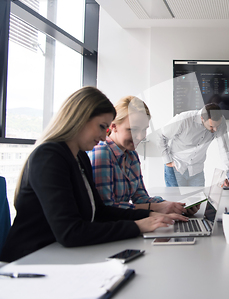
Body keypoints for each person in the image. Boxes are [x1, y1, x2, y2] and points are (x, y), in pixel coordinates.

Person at [0, 87, 187, 263]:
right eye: (101, 126)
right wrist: (139, 226)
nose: (104, 136)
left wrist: (151, 216)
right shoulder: (49, 157)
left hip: (59, 254)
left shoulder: (79, 157)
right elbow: (70, 232)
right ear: (80, 119)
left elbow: (100, 211)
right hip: (30, 260)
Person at [89, 96, 197, 215]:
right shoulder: (102, 153)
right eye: (133, 130)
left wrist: (174, 206)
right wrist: (157, 208)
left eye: (144, 129)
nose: (140, 137)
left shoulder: (131, 154)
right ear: (113, 126)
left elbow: (141, 198)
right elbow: (107, 208)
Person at [159, 103, 229, 187]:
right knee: (176, 199)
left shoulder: (220, 121)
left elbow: (224, 147)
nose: (215, 129)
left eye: (217, 126)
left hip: (197, 170)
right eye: (212, 126)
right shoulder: (184, 119)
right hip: (176, 167)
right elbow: (161, 136)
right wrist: (167, 161)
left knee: (199, 199)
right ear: (202, 118)